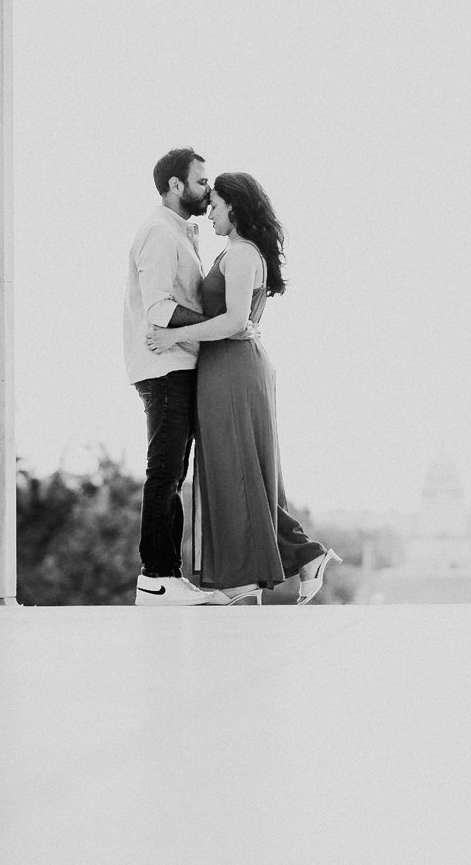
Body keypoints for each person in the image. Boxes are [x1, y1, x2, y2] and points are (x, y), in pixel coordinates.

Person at [147, 171, 341, 604]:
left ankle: (262, 572)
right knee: (236, 471)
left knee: (237, 472)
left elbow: (236, 322)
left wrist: (173, 335)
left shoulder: (240, 255)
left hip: (233, 371)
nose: (210, 212)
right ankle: (289, 563)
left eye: (215, 205)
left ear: (234, 207)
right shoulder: (236, 252)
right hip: (227, 368)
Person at [123, 147, 245, 606]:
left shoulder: (180, 232)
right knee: (165, 470)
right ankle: (155, 576)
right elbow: (157, 308)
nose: (207, 190)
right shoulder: (158, 232)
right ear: (175, 185)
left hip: (180, 362)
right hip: (164, 364)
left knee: (174, 472)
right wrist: (209, 330)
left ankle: (166, 576)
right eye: (200, 182)